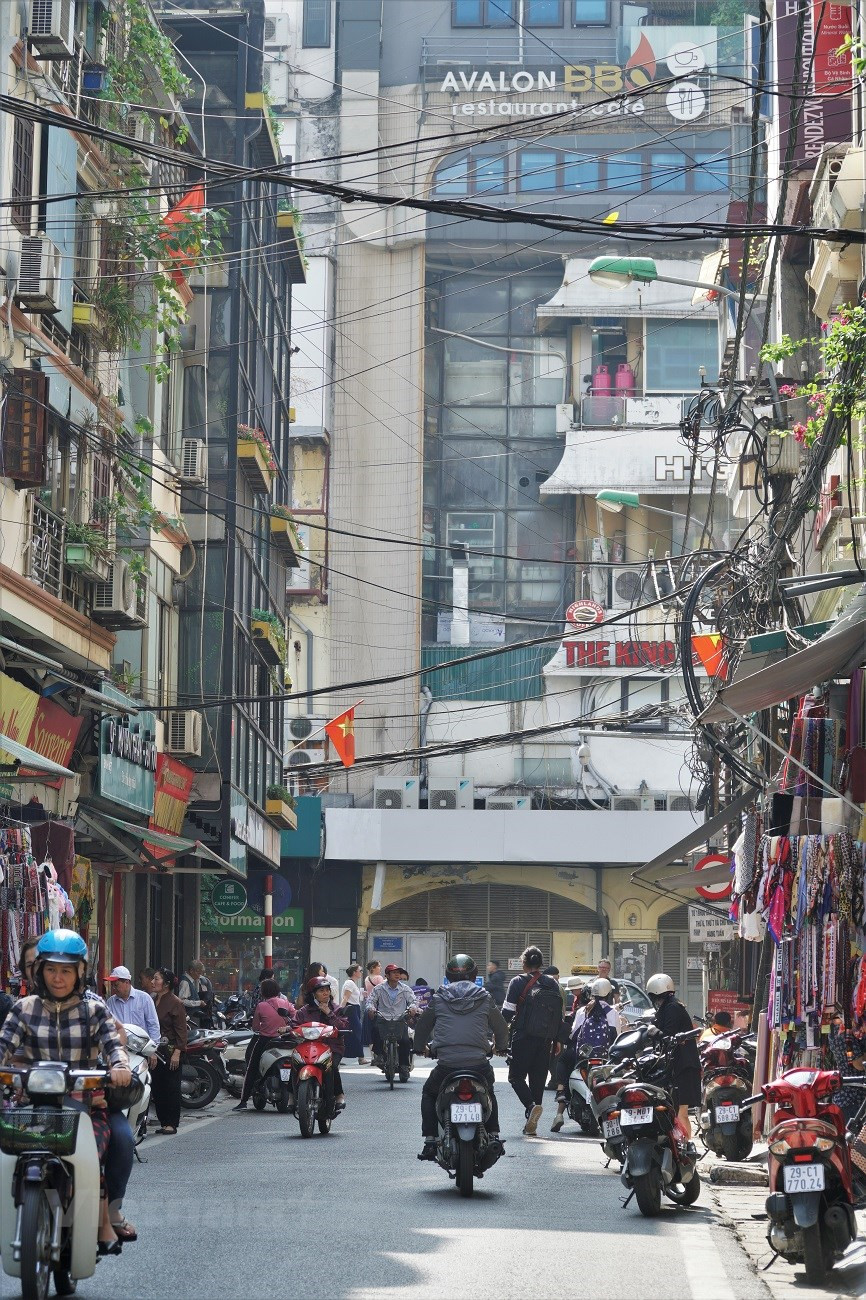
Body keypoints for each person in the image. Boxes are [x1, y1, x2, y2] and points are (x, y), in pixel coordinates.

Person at [0, 929, 133, 1254]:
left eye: (66, 970)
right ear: (40, 971)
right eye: (51, 969)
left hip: (84, 1106)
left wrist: (120, 1067)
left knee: (110, 1146)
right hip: (31, 1106)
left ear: (80, 973)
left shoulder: (94, 1011)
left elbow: (113, 1046)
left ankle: (104, 1216)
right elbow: (3, 1044)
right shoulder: (24, 1009)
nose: (58, 978)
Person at [414, 953, 508, 1161]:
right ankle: (494, 1134)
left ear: (448, 975)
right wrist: (501, 1047)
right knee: (489, 1092)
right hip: (478, 1064)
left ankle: (430, 1140)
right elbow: (500, 1027)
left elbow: (422, 1026)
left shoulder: (438, 998)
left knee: (429, 1093)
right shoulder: (485, 997)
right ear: (474, 975)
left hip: (447, 1064)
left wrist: (419, 1047)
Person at [502, 946, 564, 1135]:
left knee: (516, 1077)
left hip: (522, 1037)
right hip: (545, 1040)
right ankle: (532, 1124)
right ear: (541, 964)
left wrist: (500, 1036)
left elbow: (507, 1012)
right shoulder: (552, 984)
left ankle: (530, 1107)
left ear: (524, 963)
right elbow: (558, 1015)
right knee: (538, 1081)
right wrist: (558, 1040)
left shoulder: (517, 982)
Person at [551, 977, 619, 1132]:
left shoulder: (583, 1010)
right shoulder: (613, 1012)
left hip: (584, 1056)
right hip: (605, 1058)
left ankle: (560, 1104)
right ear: (609, 994)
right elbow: (616, 1037)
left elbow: (574, 1034)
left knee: (563, 1061)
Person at [646, 972, 700, 1138]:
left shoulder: (672, 1008)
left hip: (683, 1065)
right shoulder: (671, 1006)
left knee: (680, 1111)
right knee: (675, 1109)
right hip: (679, 1064)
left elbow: (669, 1035)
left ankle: (686, 1147)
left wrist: (654, 1031)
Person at [232, 979, 295, 1110]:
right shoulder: (286, 1003)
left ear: (263, 992)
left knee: (251, 1067)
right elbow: (296, 1018)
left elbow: (255, 1027)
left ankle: (243, 1100)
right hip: (286, 1040)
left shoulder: (261, 1006)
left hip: (266, 1041)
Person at [294, 977, 349, 1110]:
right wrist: (286, 1028)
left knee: (332, 1067)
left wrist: (329, 1014)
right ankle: (291, 1094)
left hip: (332, 1047)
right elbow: (294, 1024)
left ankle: (338, 1094)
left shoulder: (336, 1009)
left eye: (327, 990)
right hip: (309, 1047)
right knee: (294, 1062)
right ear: (313, 994)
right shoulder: (304, 1011)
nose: (325, 993)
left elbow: (343, 1026)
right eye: (321, 990)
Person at [150, 967, 188, 1135]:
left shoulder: (175, 1002)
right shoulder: (151, 1000)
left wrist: (178, 1052)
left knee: (171, 1087)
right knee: (157, 1087)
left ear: (165, 984)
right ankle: (163, 1120)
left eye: (156, 979)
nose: (153, 982)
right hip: (154, 1050)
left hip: (170, 1050)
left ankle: (171, 1123)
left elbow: (181, 1030)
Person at [366, 963, 419, 1074]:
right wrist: (371, 1009)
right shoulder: (379, 989)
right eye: (394, 973)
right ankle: (379, 1055)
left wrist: (412, 1008)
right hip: (383, 1018)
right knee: (375, 1029)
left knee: (405, 1041)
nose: (397, 975)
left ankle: (404, 1066)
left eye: (398, 973)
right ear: (387, 976)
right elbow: (370, 1001)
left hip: (400, 1019)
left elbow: (414, 1001)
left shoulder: (405, 989)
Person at [106, 965, 161, 1059]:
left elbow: (153, 1024)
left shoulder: (144, 998)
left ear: (127, 982)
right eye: (112, 985)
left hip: (142, 1050)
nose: (114, 988)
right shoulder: (111, 1002)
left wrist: (153, 1050)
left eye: (116, 985)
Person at [340, 964, 367, 1064]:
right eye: (360, 970)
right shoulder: (349, 983)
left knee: (353, 1033)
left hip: (355, 1008)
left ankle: (359, 1056)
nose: (361, 972)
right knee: (356, 1032)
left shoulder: (352, 983)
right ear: (355, 972)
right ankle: (361, 1057)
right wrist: (340, 1010)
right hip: (351, 1009)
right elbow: (346, 998)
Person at [178, 959, 214, 1028]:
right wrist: (199, 1003)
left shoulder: (189, 981)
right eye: (198, 973)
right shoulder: (185, 982)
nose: (199, 976)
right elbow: (182, 1001)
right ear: (191, 971)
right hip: (189, 1017)